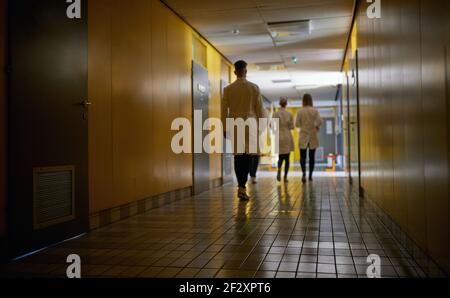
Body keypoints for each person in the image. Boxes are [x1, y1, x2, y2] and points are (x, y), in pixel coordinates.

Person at [222, 60, 266, 200]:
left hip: (235, 124)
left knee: (238, 156)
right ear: (246, 71)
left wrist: (224, 127)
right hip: (250, 124)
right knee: (247, 156)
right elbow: (259, 110)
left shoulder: (228, 89)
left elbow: (224, 111)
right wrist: (260, 127)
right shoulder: (254, 88)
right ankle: (242, 186)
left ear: (235, 72)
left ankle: (241, 186)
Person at [295, 93, 323, 183]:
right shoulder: (315, 111)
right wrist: (316, 126)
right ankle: (310, 175)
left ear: (303, 101)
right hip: (312, 136)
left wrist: (303, 126)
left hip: (303, 135)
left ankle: (303, 173)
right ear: (311, 100)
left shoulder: (300, 111)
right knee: (312, 157)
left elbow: (297, 124)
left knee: (302, 157)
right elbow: (320, 121)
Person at [272, 97, 295, 183]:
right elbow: (292, 127)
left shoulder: (275, 114)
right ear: (286, 104)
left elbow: (272, 126)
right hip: (287, 136)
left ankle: (278, 170)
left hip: (279, 136)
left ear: (279, 104)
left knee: (280, 157)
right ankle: (285, 177)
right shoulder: (289, 114)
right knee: (287, 159)